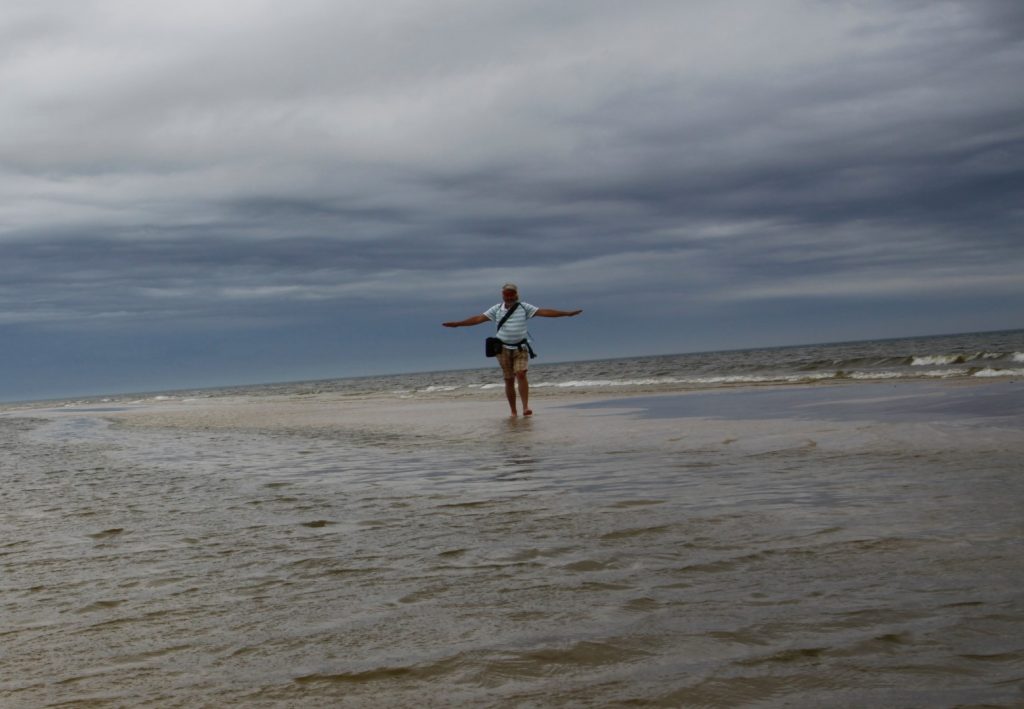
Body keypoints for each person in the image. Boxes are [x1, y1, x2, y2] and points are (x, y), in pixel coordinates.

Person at [443, 283, 583, 417]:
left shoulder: (524, 307)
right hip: (502, 348)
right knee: (509, 379)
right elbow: (479, 318)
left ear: (516, 295)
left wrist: (566, 314)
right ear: (502, 296)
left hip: (520, 347)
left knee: (521, 374)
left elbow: (543, 311)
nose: (509, 297)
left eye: (512, 295)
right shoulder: (497, 309)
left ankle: (525, 407)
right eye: (506, 295)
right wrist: (458, 324)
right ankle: (513, 411)